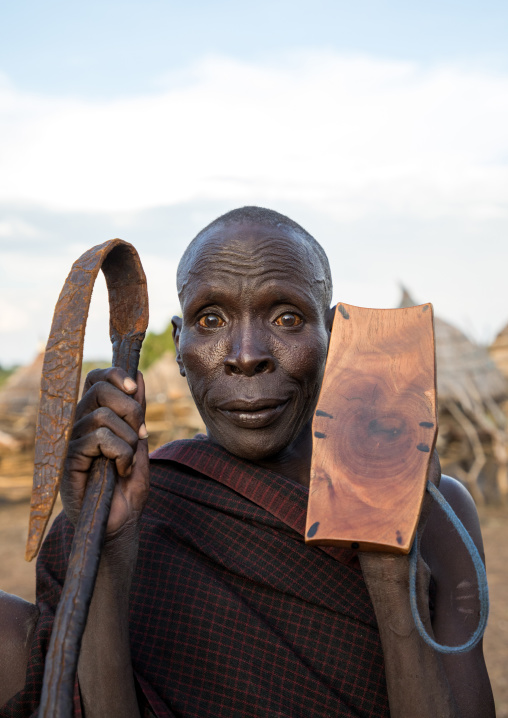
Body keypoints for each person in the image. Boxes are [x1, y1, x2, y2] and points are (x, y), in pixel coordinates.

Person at [0, 207, 495, 717]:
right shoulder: (132, 507)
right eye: (210, 320)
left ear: (335, 340)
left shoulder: (440, 512)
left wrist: (391, 566)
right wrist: (107, 550)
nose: (245, 354)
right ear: (179, 346)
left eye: (287, 318)